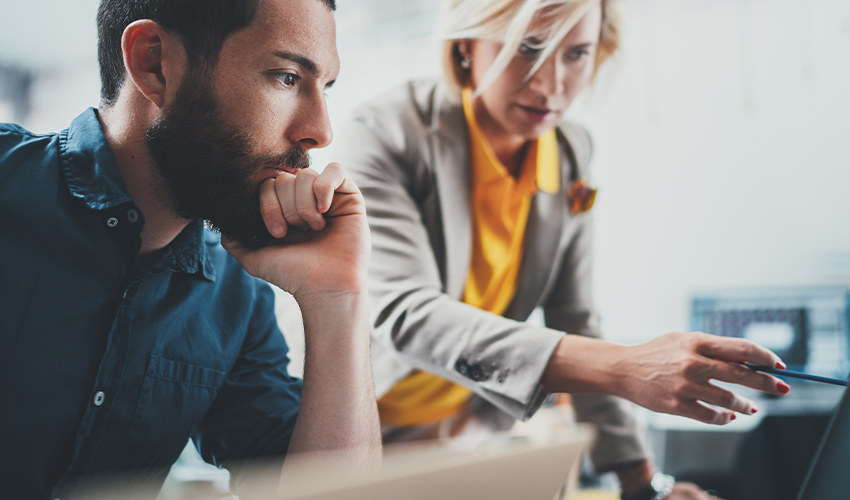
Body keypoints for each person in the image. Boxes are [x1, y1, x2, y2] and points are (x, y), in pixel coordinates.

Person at [334, 0, 790, 498]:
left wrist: (645, 486)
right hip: (354, 433)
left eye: (576, 54)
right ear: (466, 44)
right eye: (528, 48)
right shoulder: (386, 134)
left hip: (464, 440)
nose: (551, 85)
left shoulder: (570, 153)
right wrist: (623, 365)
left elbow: (575, 315)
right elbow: (405, 312)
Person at [0, 0, 381, 498]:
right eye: (287, 77)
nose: (320, 131)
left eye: (325, 88)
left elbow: (327, 492)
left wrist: (339, 300)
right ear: (154, 62)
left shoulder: (237, 297)